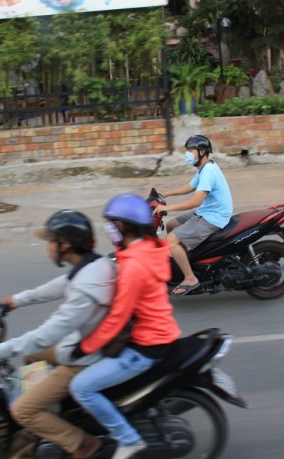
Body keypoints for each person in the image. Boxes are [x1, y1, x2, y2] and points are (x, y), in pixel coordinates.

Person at [0, 209, 116, 459]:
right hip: (86, 345)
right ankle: (55, 413)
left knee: (22, 410)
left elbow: (45, 335)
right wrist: (15, 301)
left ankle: (83, 444)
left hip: (83, 359)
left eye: (51, 241)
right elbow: (59, 285)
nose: (48, 247)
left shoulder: (85, 289)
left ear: (66, 245)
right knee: (33, 358)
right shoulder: (94, 265)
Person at [68, 194, 181, 459]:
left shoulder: (134, 266)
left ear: (123, 226)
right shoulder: (145, 250)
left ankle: (128, 440)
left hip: (146, 346)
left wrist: (86, 346)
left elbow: (118, 316)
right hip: (160, 334)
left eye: (112, 223)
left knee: (81, 387)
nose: (108, 228)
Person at [153, 134, 233, 295]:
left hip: (213, 217)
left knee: (171, 240)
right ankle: (183, 258)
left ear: (202, 152)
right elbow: (190, 186)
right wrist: (165, 194)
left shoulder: (208, 171)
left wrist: (167, 208)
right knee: (171, 225)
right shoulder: (205, 167)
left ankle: (190, 278)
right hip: (207, 211)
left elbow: (196, 201)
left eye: (191, 151)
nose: (187, 154)